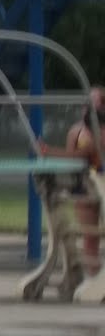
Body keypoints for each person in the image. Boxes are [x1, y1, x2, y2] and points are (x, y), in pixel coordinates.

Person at [41, 86, 105, 276]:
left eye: (97, 103)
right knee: (90, 235)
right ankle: (94, 276)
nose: (91, 107)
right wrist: (50, 152)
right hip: (86, 186)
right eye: (88, 104)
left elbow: (92, 150)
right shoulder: (77, 131)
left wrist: (51, 151)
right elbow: (73, 158)